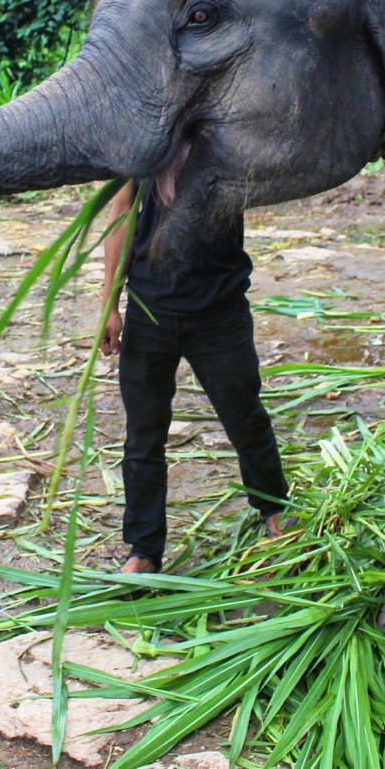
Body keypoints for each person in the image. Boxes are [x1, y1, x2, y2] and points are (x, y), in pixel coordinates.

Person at [100, 180, 290, 576]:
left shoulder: (224, 128)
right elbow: (121, 211)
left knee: (245, 418)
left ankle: (273, 508)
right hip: (150, 309)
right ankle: (144, 548)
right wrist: (110, 304)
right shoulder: (141, 134)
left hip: (219, 309)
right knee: (144, 435)